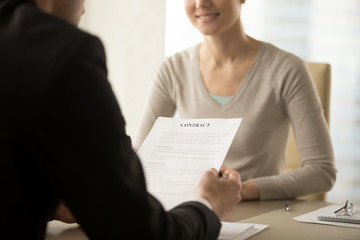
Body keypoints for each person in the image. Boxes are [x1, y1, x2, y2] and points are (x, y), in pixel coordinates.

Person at [0, 0, 242, 239]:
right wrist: (208, 204)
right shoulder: (63, 53)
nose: (84, 9)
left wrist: (51, 202)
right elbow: (140, 233)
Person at [134, 0, 337, 200]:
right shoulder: (173, 69)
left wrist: (240, 190)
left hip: (260, 216)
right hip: (194, 213)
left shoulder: (287, 69)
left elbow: (321, 171)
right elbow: (140, 159)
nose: (201, 3)